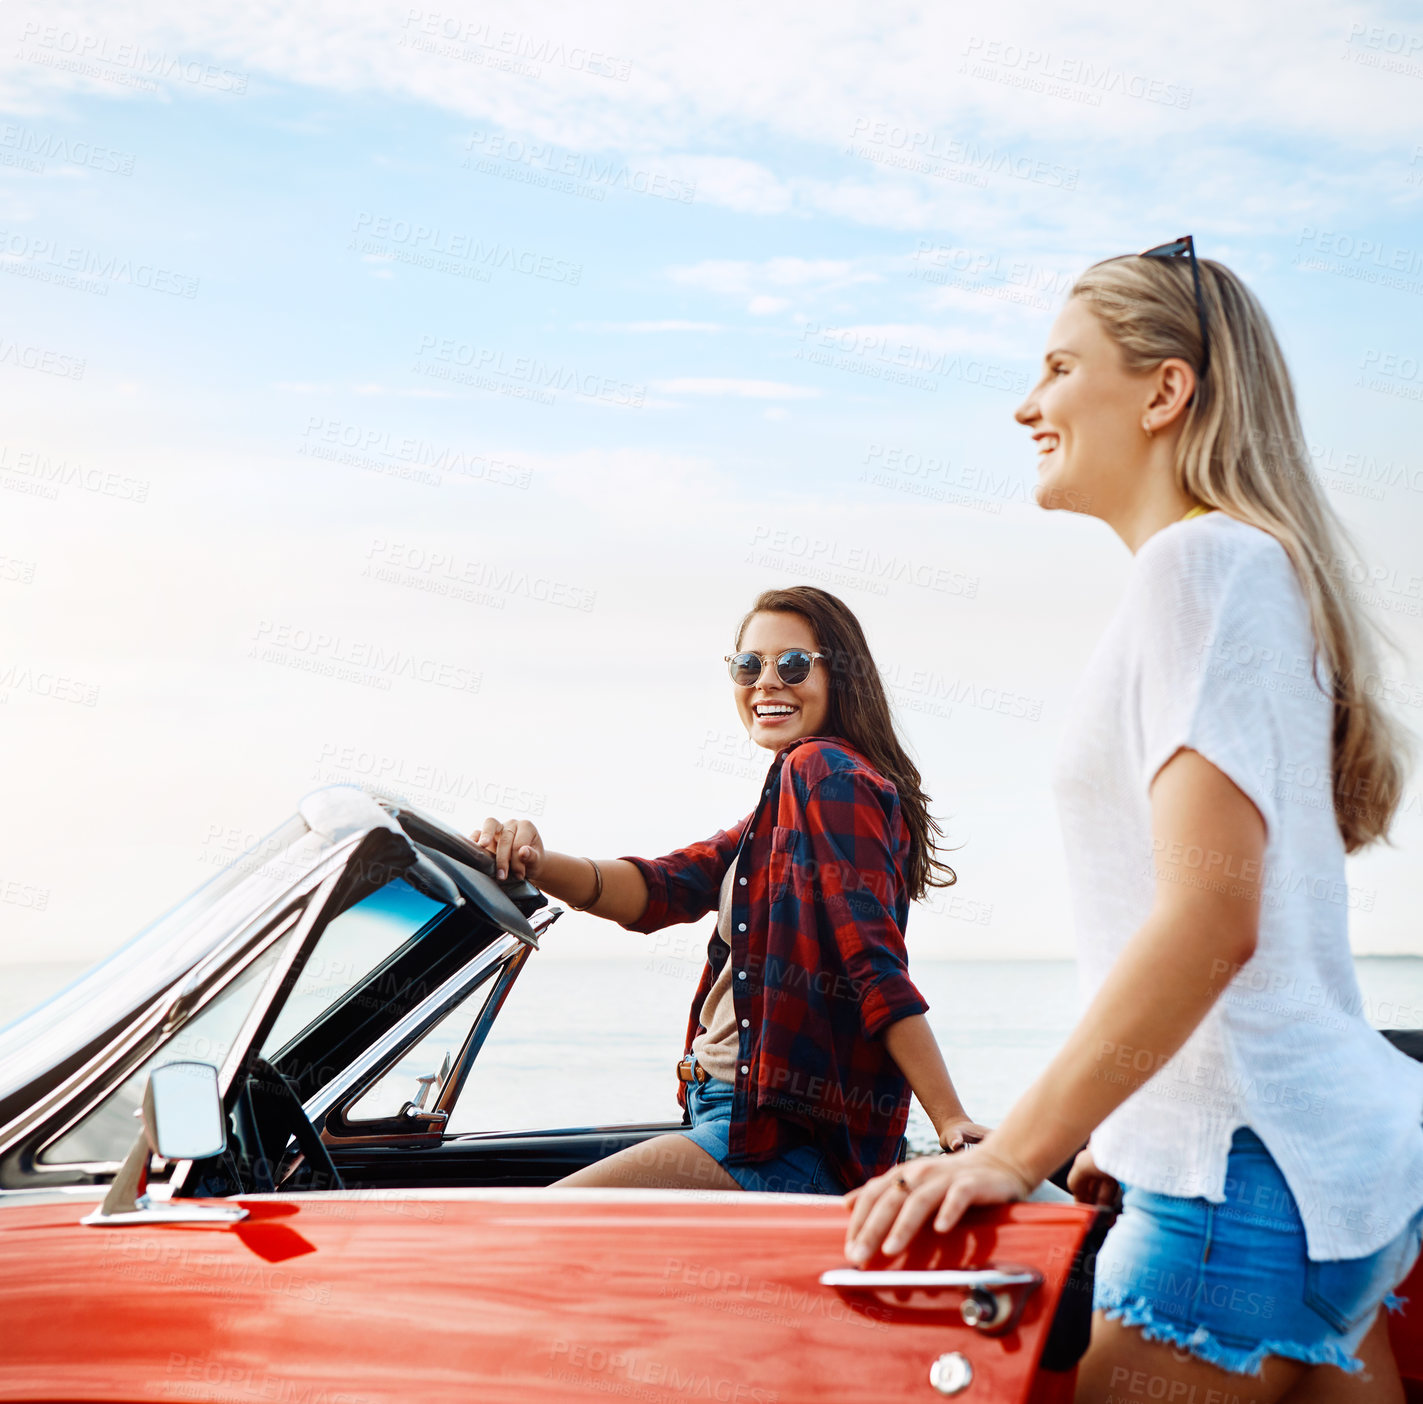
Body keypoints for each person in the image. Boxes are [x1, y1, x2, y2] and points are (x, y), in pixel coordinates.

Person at [843, 239, 1423, 1399]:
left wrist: (1016, 1153)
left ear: (1165, 391)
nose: (1026, 404)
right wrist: (1119, 1122)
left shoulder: (1199, 567)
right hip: (1327, 1176)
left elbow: (1211, 919)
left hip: (1236, 1186)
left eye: (1059, 368)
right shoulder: (1250, 571)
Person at [472, 585, 987, 1194]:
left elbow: (871, 962)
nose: (766, 682)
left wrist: (950, 1119)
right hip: (739, 1122)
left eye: (792, 664)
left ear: (843, 677)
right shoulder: (786, 804)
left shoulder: (820, 773)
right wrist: (532, 860)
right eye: (749, 665)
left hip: (774, 1141)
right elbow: (662, 889)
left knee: (531, 1229)